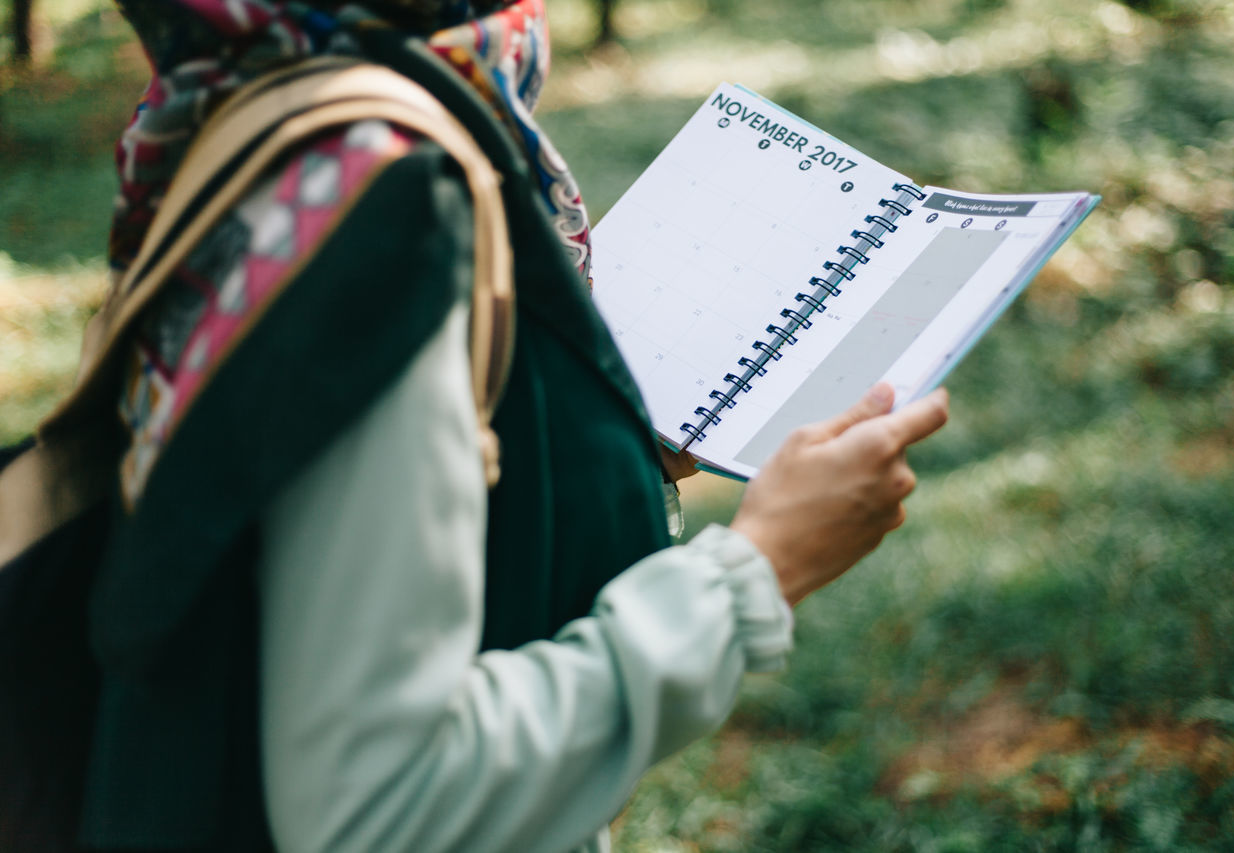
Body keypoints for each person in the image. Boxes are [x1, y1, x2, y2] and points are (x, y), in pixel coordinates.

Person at [83, 1, 949, 850]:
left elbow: (296, 517)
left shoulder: (246, 106)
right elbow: (382, 808)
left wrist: (589, 438)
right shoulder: (386, 203)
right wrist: (759, 567)